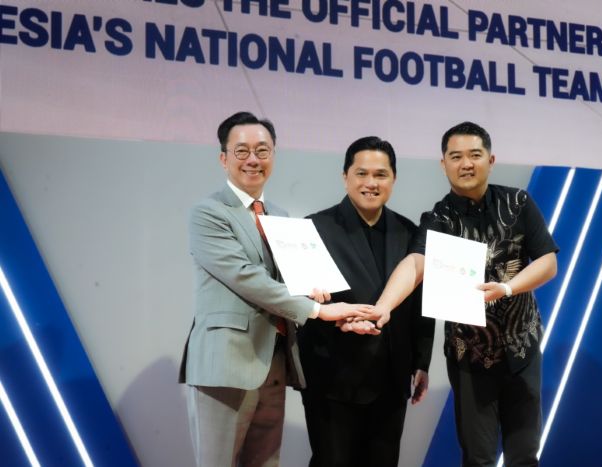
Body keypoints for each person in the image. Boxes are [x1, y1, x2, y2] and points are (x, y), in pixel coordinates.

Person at [178, 111, 372, 467]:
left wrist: (316, 294)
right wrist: (318, 310)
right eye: (242, 151)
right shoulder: (208, 212)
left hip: (275, 361)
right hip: (225, 365)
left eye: (262, 150)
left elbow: (288, 285)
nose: (253, 159)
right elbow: (245, 277)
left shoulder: (280, 216)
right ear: (223, 158)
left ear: (274, 156)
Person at [363, 122, 558, 466]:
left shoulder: (517, 202)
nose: (466, 163)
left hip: (522, 348)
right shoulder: (439, 217)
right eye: (456, 157)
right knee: (477, 458)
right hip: (469, 355)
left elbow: (548, 261)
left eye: (474, 155)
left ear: (490, 160)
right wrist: (384, 306)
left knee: (525, 454)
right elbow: (416, 263)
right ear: (444, 164)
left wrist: (507, 288)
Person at [297, 136, 435, 467]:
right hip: (331, 377)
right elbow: (298, 303)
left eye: (380, 174)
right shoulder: (312, 229)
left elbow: (420, 305)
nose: (371, 183)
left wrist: (422, 361)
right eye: (361, 173)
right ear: (345, 176)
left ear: (394, 179)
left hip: (391, 377)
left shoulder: (408, 232)